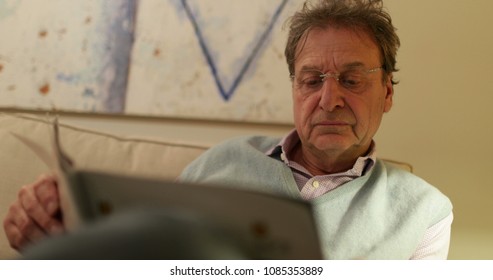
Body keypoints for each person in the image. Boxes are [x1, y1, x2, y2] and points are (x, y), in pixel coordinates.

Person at [3, 0, 452, 259]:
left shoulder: (425, 212)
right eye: (312, 80)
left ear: (387, 92)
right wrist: (56, 240)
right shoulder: (220, 163)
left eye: (352, 80)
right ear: (295, 88)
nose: (329, 99)